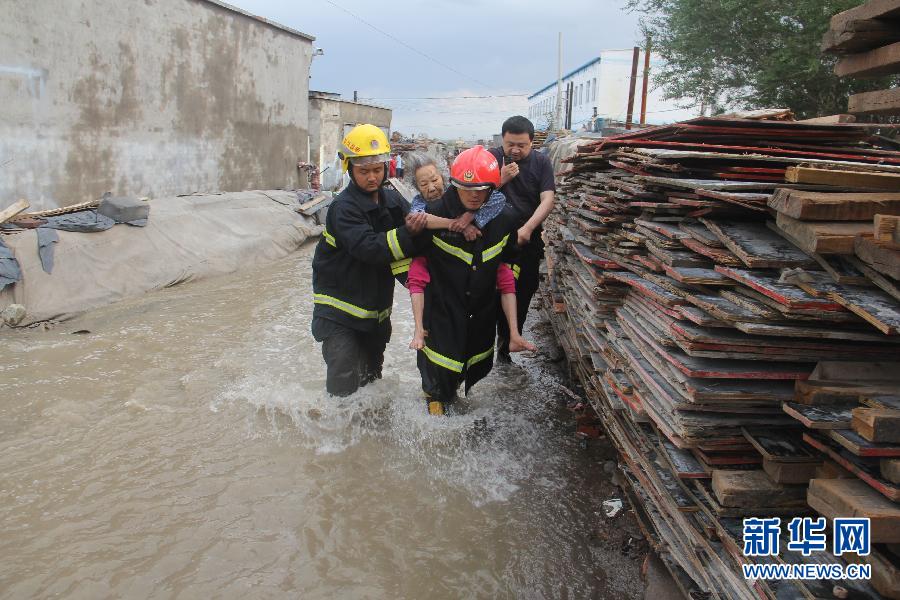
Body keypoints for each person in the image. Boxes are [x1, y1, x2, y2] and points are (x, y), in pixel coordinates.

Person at [410, 146, 536, 416]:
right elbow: (412, 264)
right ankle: (435, 410)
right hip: (441, 313)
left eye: (481, 188)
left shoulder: (505, 219)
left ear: (493, 187)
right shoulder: (431, 214)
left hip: (480, 314)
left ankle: (450, 401)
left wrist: (512, 330)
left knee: (468, 366)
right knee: (436, 377)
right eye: (466, 187)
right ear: (453, 184)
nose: (474, 194)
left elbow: (508, 264)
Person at [311, 124, 427, 397]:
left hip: (374, 313)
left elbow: (411, 248)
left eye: (377, 170)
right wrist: (409, 231)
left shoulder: (392, 201)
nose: (372, 177)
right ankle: (337, 436)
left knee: (372, 379)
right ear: (349, 169)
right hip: (338, 313)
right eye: (364, 171)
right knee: (344, 379)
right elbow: (370, 248)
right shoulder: (343, 208)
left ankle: (369, 436)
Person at [488, 116, 556, 364]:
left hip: (526, 243)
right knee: (489, 295)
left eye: (521, 145)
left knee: (522, 293)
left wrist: (527, 229)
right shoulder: (491, 158)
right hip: (491, 243)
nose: (515, 150)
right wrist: (500, 179)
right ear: (502, 139)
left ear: (531, 143)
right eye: (510, 144)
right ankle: (483, 350)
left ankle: (505, 350)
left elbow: (548, 198)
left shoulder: (541, 162)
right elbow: (470, 194)